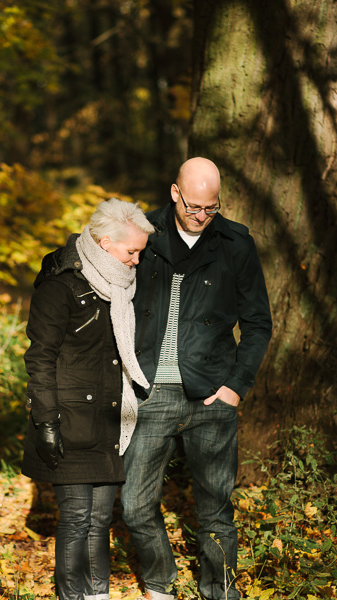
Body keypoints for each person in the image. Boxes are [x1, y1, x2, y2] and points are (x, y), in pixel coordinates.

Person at [122, 157, 272, 600]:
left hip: (212, 393)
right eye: (193, 207)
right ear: (174, 193)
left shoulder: (235, 244)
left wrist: (235, 387)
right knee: (133, 505)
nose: (202, 216)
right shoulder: (143, 234)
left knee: (216, 511)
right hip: (150, 391)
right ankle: (159, 582)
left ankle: (220, 592)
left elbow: (258, 323)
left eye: (211, 207)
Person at [21, 198, 154, 600]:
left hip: (111, 419)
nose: (136, 261)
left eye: (140, 253)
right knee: (77, 518)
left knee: (100, 520)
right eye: (131, 252)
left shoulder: (122, 287)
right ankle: (71, 596)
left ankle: (98, 595)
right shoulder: (59, 285)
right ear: (104, 242)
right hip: (68, 421)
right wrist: (46, 423)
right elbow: (39, 358)